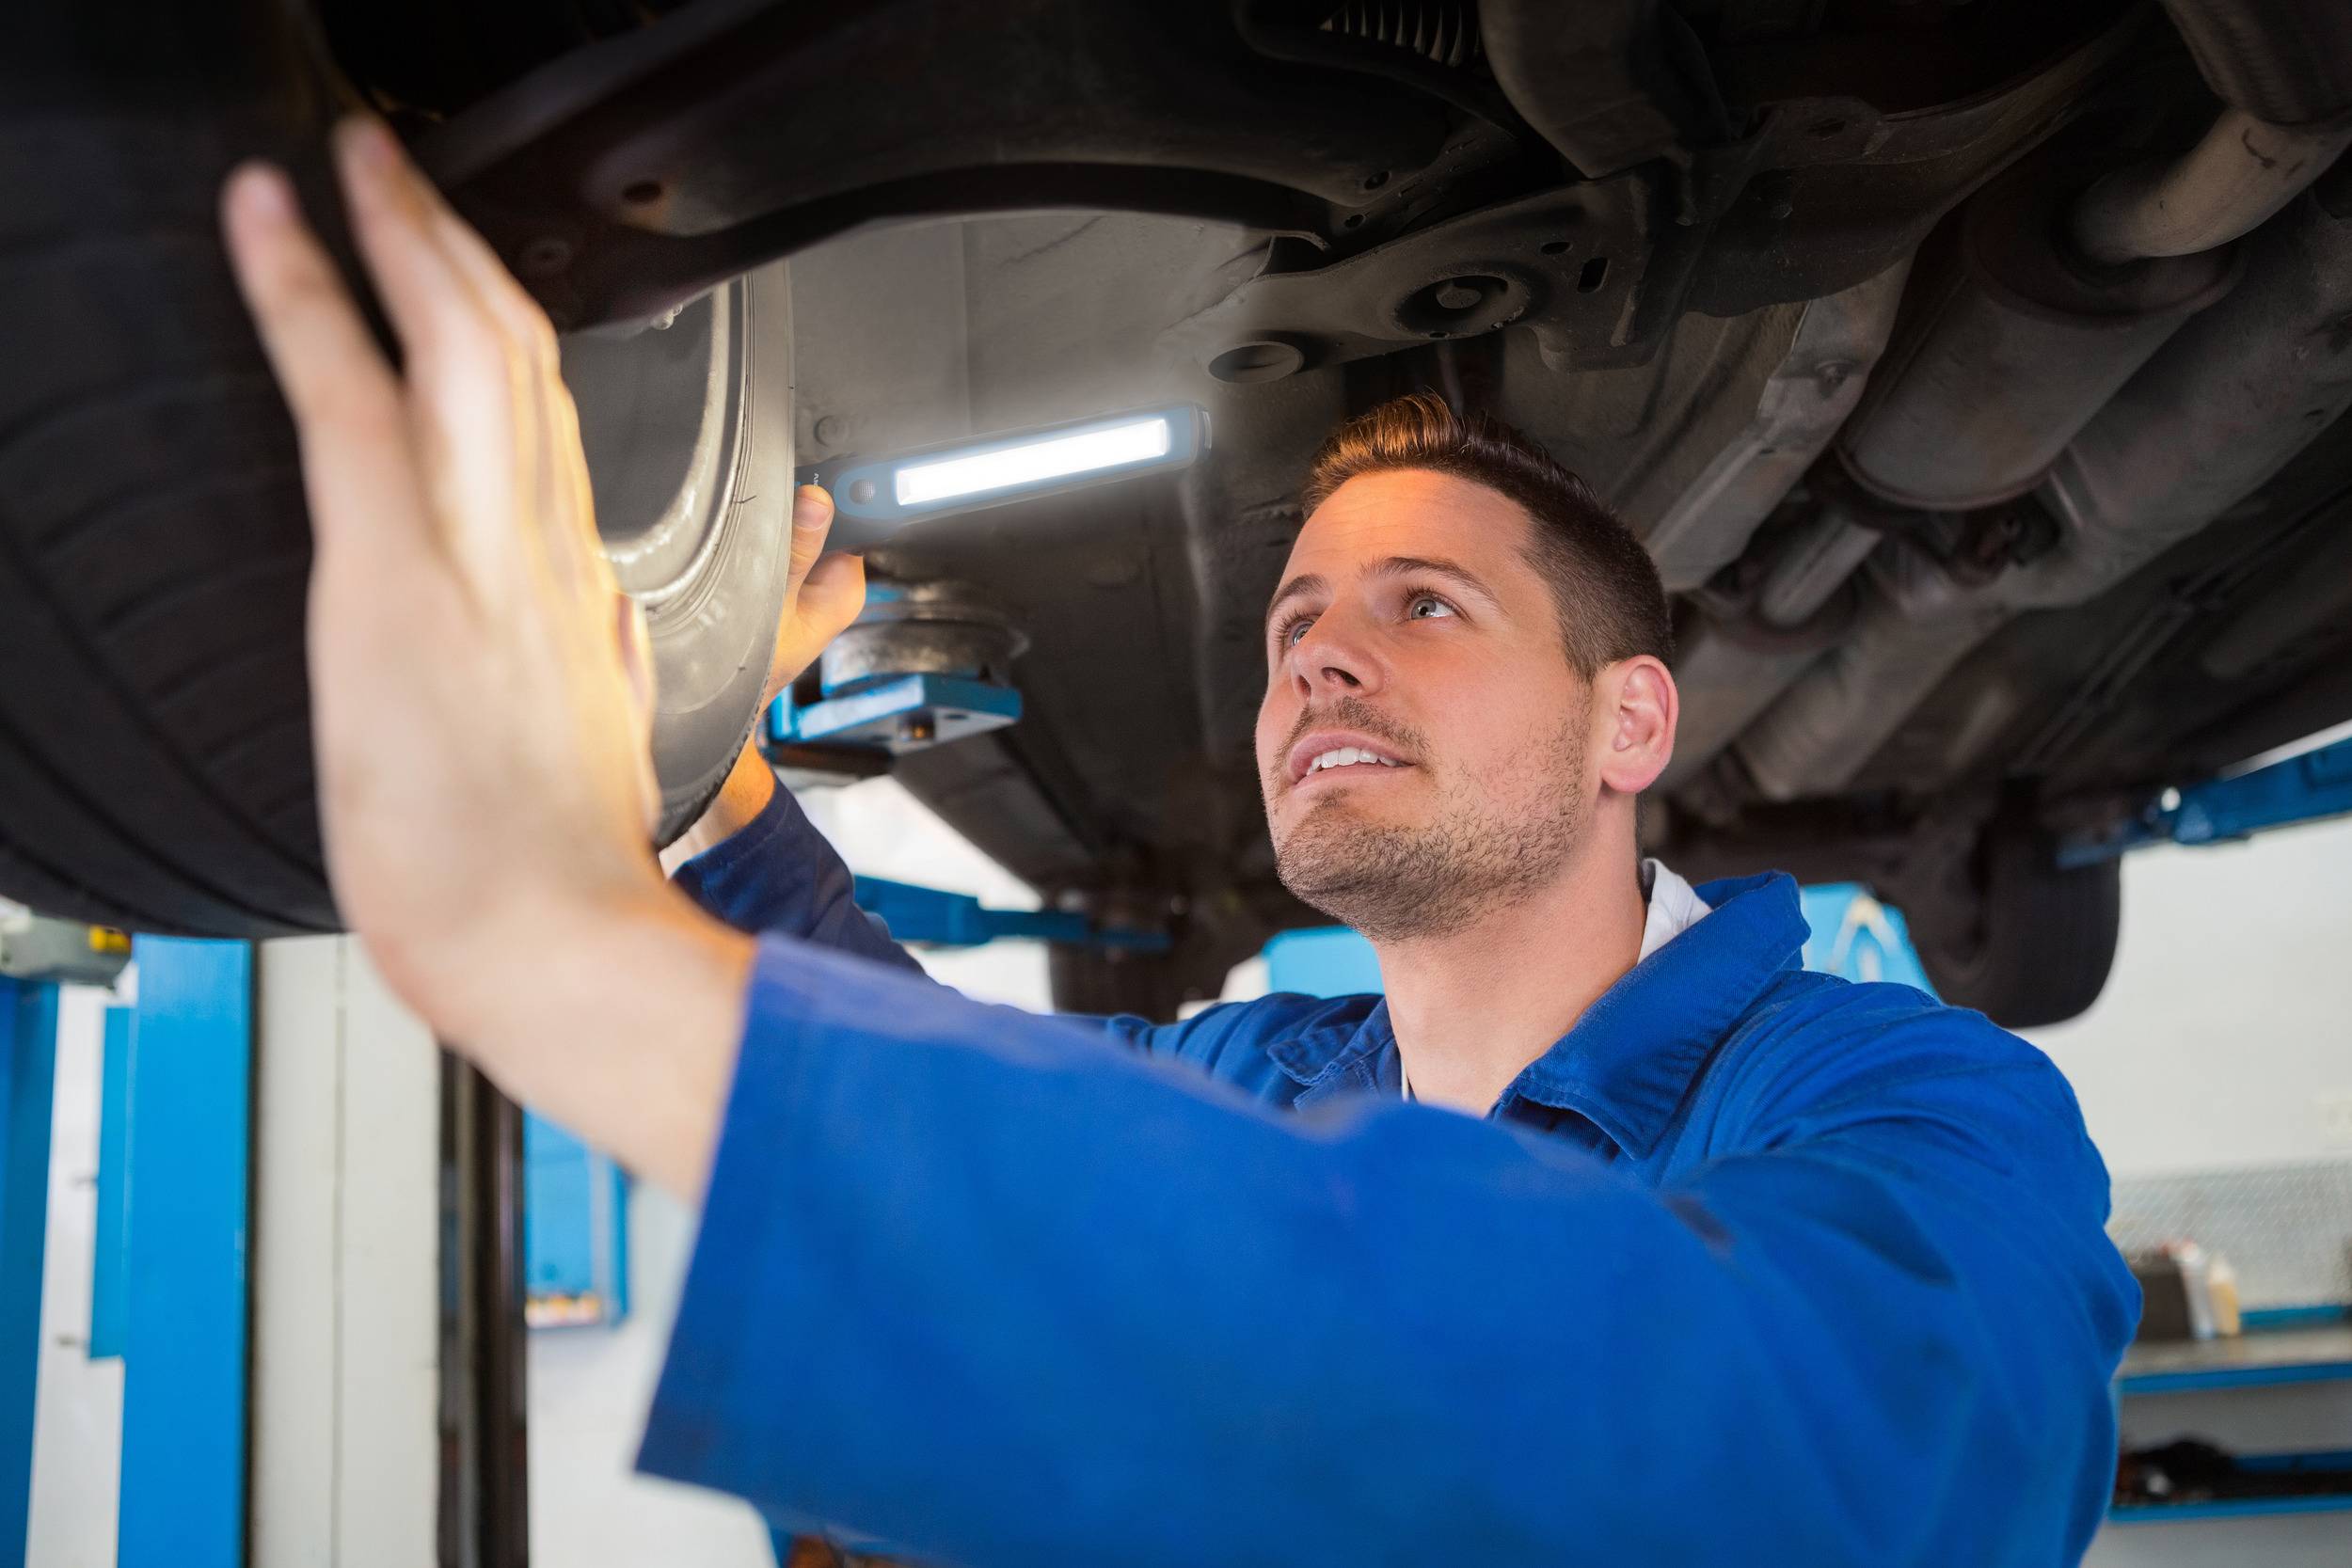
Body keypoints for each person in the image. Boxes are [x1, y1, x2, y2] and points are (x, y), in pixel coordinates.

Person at [218, 119, 2139, 1567]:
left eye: (1422, 609)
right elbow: (938, 1087)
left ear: (1630, 716)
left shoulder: (1910, 1102)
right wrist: (716, 778)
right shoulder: (1251, 1071)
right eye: (1296, 628)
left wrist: (553, 944)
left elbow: (1825, 1468)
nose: (1317, 666)